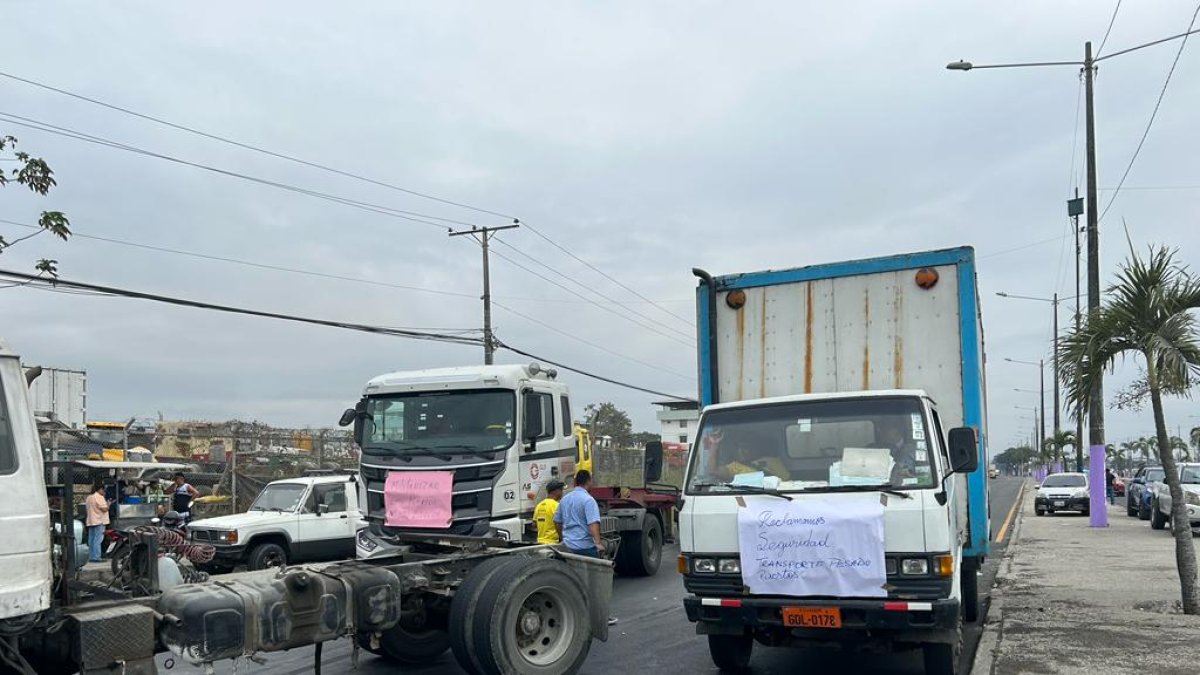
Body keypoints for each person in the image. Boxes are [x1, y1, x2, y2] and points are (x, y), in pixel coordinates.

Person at [554, 470, 617, 626]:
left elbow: (557, 520)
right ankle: (600, 617)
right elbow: (593, 523)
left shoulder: (565, 499)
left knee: (573, 583)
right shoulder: (588, 500)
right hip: (586, 547)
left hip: (568, 547)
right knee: (595, 583)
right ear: (589, 482)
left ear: (575, 483)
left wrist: (563, 537)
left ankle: (573, 616)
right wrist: (598, 542)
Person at [85, 482, 112, 563]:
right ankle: (96, 557)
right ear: (100, 489)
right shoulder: (99, 497)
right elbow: (104, 509)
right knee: (98, 540)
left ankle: (91, 556)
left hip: (91, 521)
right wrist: (108, 504)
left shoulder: (89, 497)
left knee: (91, 540)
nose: (104, 492)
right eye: (103, 490)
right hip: (99, 521)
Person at [534, 479, 565, 544]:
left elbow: (534, 524)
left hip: (539, 542)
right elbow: (562, 523)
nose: (562, 493)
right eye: (561, 490)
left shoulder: (539, 505)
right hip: (553, 543)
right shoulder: (557, 506)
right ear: (556, 491)